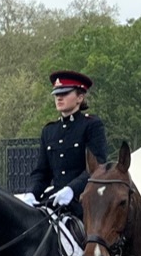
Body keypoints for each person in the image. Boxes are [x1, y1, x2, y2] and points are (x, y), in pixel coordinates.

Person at [33, 71, 108, 209]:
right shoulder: (49, 131)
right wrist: (32, 193)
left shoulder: (91, 125)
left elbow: (97, 167)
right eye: (56, 94)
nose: (59, 98)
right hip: (54, 199)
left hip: (83, 200)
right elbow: (42, 173)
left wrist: (71, 189)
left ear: (80, 97)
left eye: (65, 93)